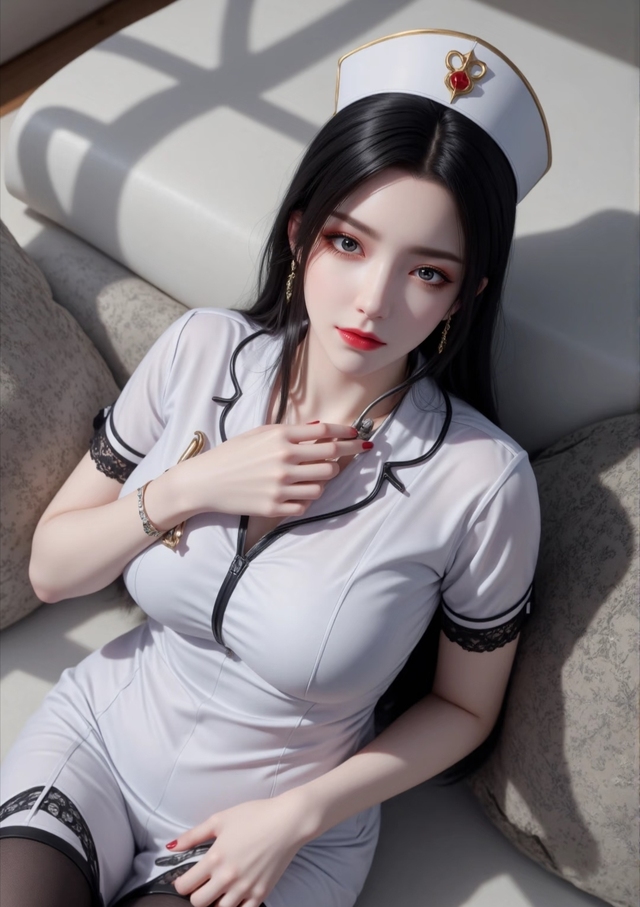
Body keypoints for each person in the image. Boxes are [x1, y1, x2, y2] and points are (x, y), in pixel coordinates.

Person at [0, 28, 551, 907]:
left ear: (465, 294)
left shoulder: (482, 482)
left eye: (428, 271)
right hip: (94, 743)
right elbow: (51, 568)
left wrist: (296, 816)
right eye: (348, 243)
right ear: (300, 232)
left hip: (283, 831)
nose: (374, 299)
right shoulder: (201, 350)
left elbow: (464, 709)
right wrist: (192, 486)